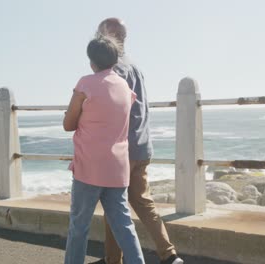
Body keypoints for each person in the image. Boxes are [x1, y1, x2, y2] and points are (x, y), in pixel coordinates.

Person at [90, 18, 184, 264]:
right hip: (142, 145)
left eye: (100, 34)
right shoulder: (135, 67)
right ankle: (168, 253)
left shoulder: (115, 69)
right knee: (142, 202)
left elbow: (111, 108)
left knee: (114, 205)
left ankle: (114, 259)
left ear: (110, 37)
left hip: (122, 149)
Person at [63, 35, 145, 264]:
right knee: (124, 227)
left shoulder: (85, 83)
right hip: (117, 169)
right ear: (114, 60)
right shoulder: (125, 87)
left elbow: (68, 124)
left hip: (89, 167)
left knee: (79, 226)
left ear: (92, 61)